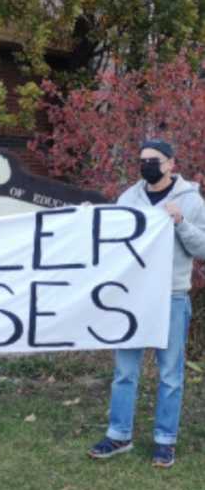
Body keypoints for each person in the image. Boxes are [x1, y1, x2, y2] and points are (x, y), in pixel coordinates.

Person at [88, 138, 205, 469]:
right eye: (142, 160)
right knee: (125, 370)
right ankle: (118, 434)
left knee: (170, 372)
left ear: (170, 164)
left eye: (153, 160)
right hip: (133, 298)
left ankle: (165, 441)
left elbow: (203, 248)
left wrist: (181, 222)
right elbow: (110, 237)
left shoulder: (192, 201)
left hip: (172, 297)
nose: (146, 165)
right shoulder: (129, 198)